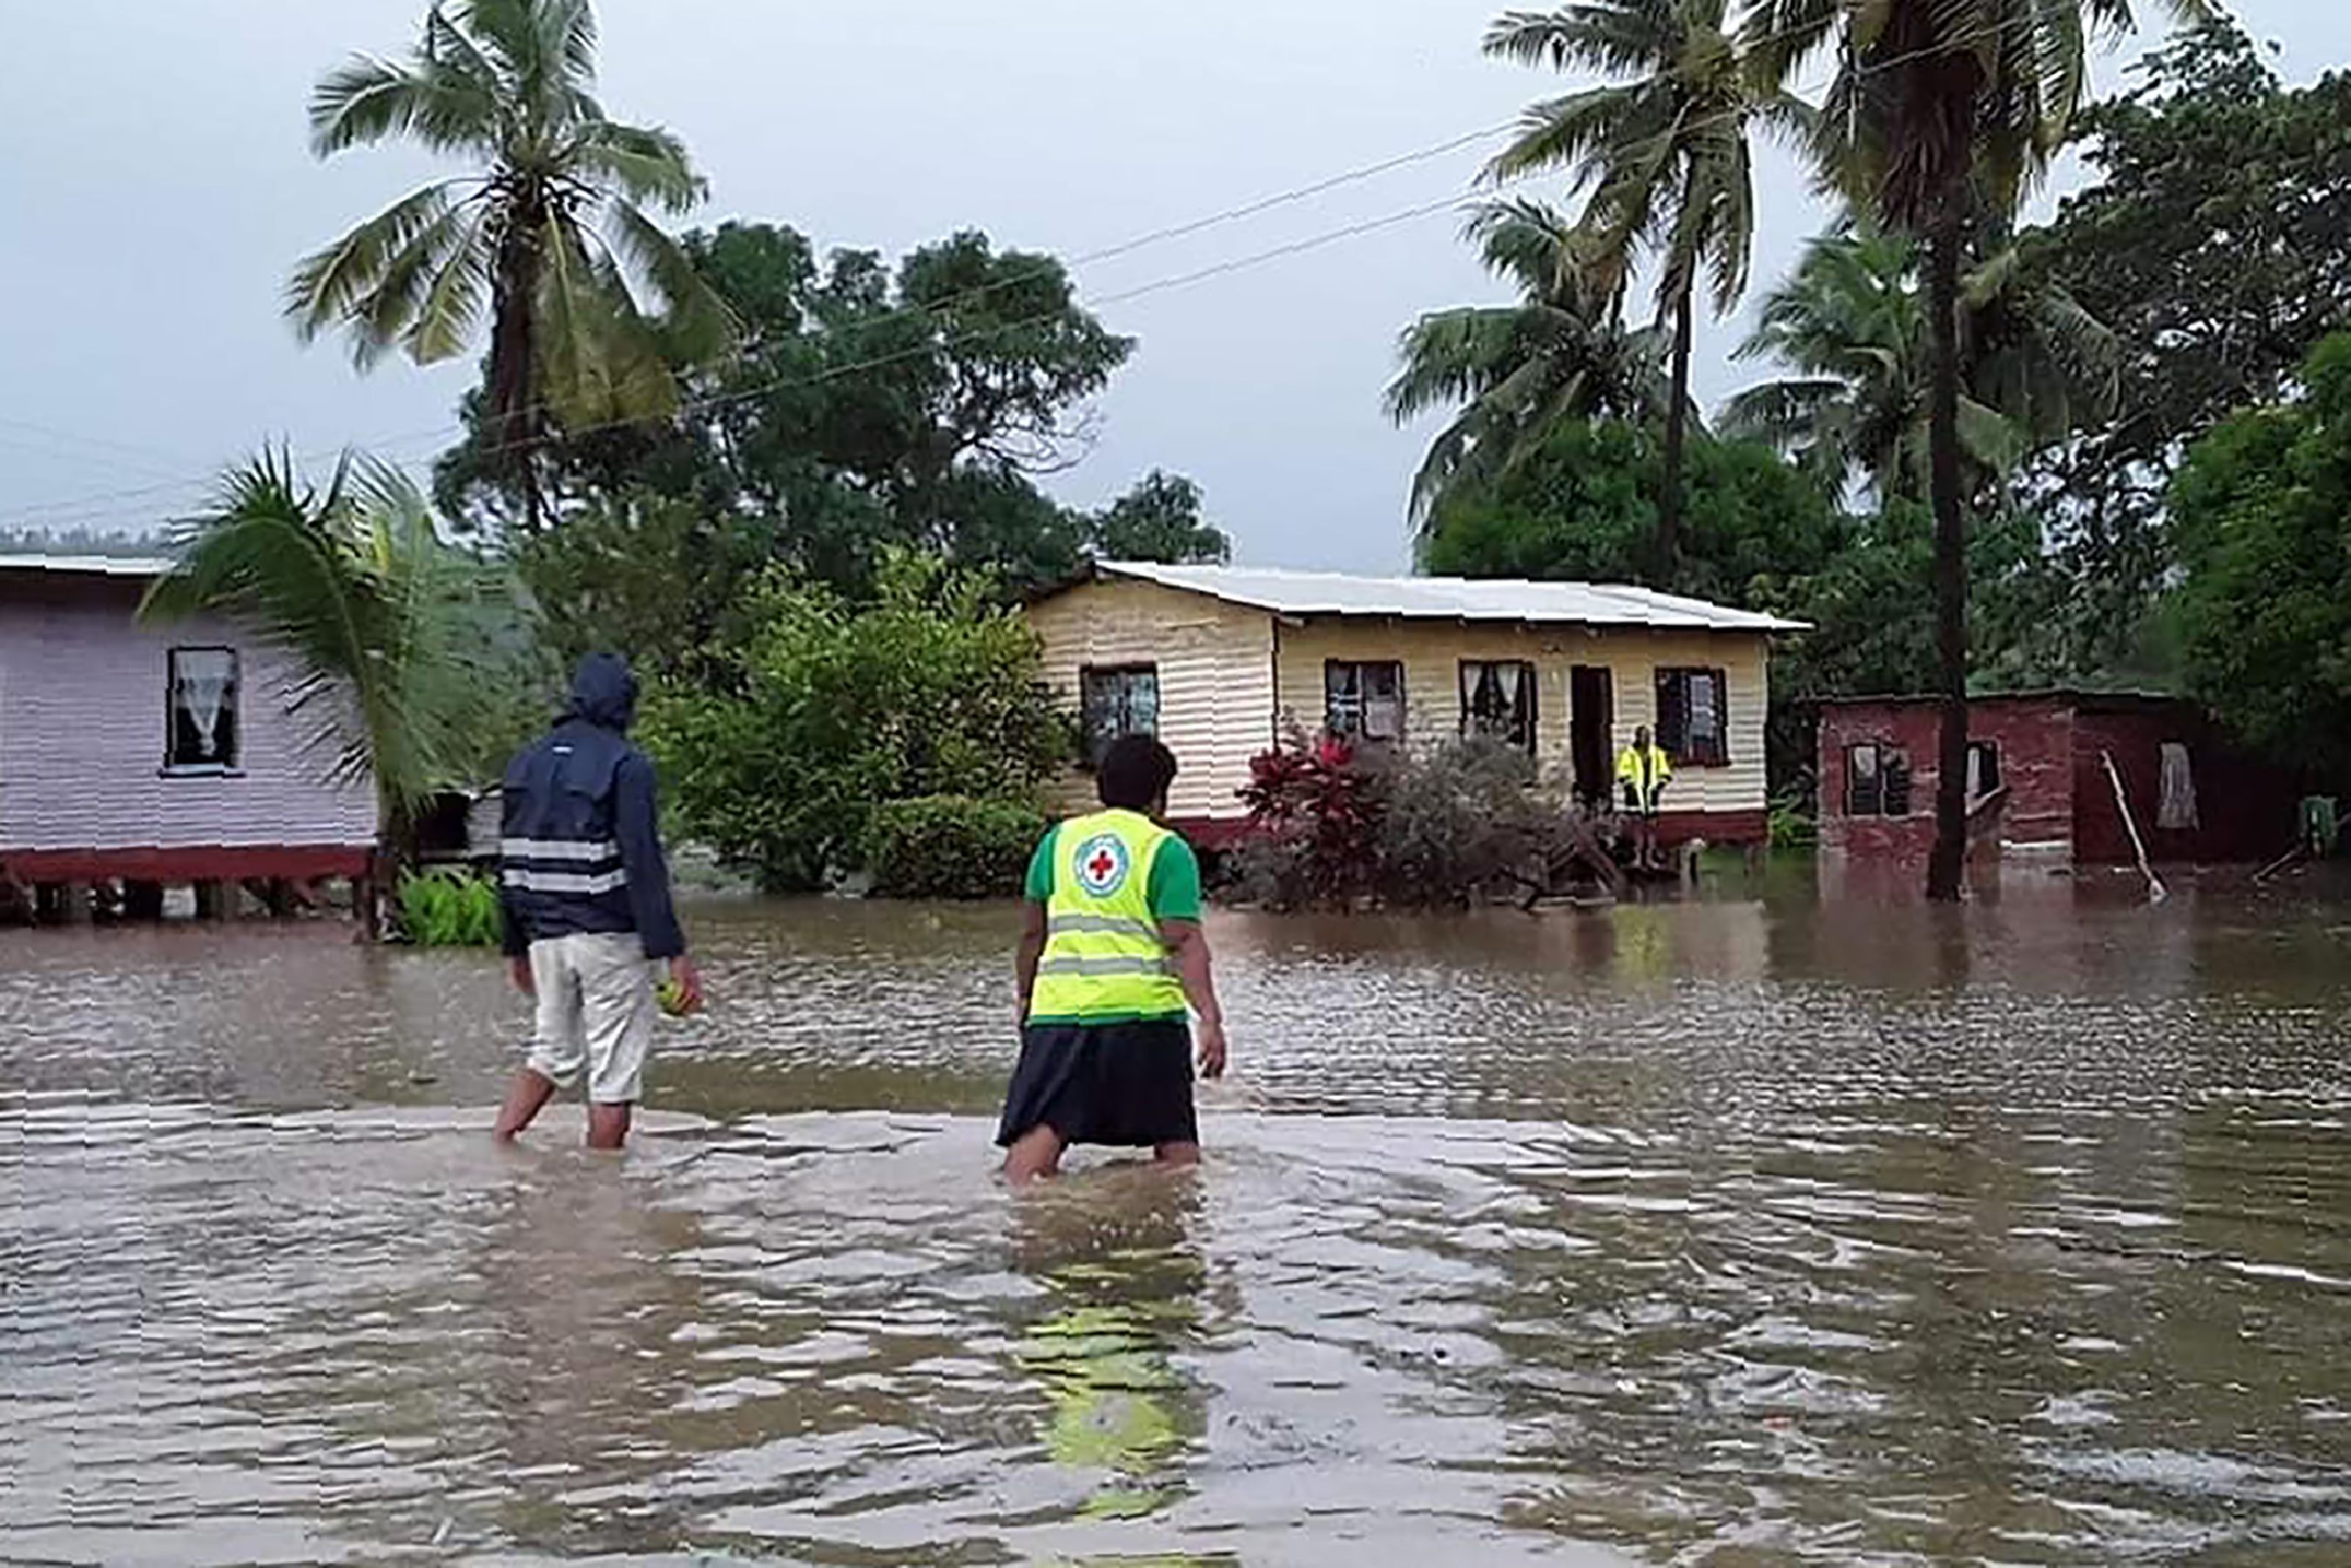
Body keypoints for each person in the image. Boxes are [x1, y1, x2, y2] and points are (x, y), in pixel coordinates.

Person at [493, 653, 703, 1151]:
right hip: (607, 937)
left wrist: (515, 947)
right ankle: (605, 1190)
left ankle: (499, 1147)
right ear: (624, 706)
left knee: (551, 1051)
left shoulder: (526, 762)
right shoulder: (627, 766)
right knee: (613, 1070)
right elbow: (643, 866)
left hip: (545, 935)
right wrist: (673, 955)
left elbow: (506, 860)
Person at [1000, 735, 1228, 1184]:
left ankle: (1023, 1232)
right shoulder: (1166, 849)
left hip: (1060, 1016)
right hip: (1145, 1019)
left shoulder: (1057, 843)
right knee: (1176, 1153)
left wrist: (1026, 997)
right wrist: (1210, 1019)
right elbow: (1182, 940)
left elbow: (1032, 934)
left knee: (1030, 1160)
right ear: (1159, 794)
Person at [1617, 723, 1673, 871]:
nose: (1646, 739)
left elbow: (1665, 773)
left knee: (1652, 828)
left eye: (1648, 736)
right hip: (1635, 796)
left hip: (1651, 796)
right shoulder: (1629, 754)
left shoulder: (1657, 754)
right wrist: (1631, 787)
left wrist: (1658, 786)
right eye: (1643, 736)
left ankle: (1650, 858)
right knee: (1638, 828)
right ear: (1637, 738)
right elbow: (1623, 773)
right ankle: (1637, 859)